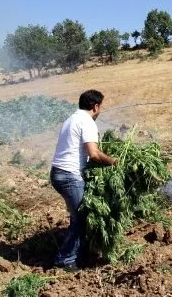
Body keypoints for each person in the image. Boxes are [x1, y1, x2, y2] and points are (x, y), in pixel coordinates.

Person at [50, 89, 117, 271]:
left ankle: (79, 252)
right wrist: (113, 162)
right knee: (81, 218)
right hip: (69, 176)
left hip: (58, 173)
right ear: (95, 107)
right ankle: (65, 259)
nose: (101, 110)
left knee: (78, 216)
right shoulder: (86, 121)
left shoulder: (72, 118)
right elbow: (93, 154)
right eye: (101, 107)